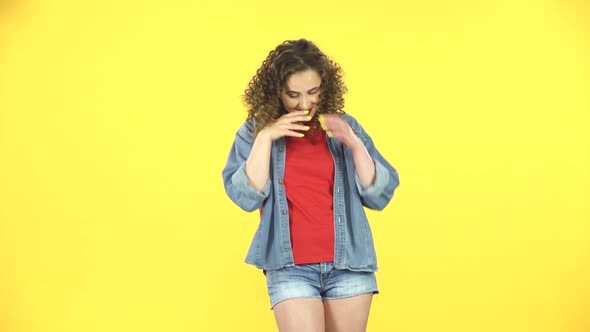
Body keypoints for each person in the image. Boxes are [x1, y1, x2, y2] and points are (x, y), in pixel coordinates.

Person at [222, 38, 400, 332]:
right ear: (276, 91)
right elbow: (246, 197)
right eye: (293, 94)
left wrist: (355, 145)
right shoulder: (253, 132)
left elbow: (379, 193)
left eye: (313, 92)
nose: (304, 104)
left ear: (325, 87)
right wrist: (266, 137)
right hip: (289, 268)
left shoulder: (342, 125)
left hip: (349, 264)